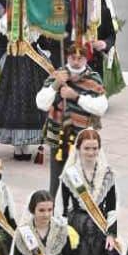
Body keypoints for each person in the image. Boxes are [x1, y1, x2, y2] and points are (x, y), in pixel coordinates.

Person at [56, 129, 119, 255]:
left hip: (100, 229)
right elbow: (64, 208)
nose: (91, 153)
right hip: (78, 226)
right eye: (87, 148)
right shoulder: (70, 174)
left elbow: (112, 206)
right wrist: (66, 232)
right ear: (78, 149)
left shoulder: (107, 174)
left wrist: (111, 234)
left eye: (95, 148)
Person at [35, 42, 107, 193]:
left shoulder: (93, 79)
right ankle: (55, 210)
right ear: (67, 57)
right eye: (72, 57)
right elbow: (41, 103)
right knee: (57, 178)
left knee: (82, 178)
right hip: (59, 136)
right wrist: (55, 85)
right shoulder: (58, 75)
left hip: (83, 138)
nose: (75, 62)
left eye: (80, 58)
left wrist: (76, 97)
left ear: (86, 60)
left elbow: (101, 107)